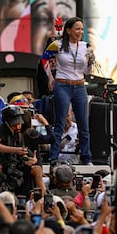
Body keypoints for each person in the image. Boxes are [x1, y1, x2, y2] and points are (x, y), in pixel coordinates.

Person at [41, 17, 94, 166]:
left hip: (79, 86)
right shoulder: (57, 45)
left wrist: (90, 62)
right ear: (68, 30)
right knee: (60, 123)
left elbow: (87, 71)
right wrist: (50, 77)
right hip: (62, 85)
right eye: (77, 29)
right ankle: (53, 157)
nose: (80, 32)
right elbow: (44, 59)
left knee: (84, 124)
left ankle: (86, 157)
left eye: (82, 29)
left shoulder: (85, 46)